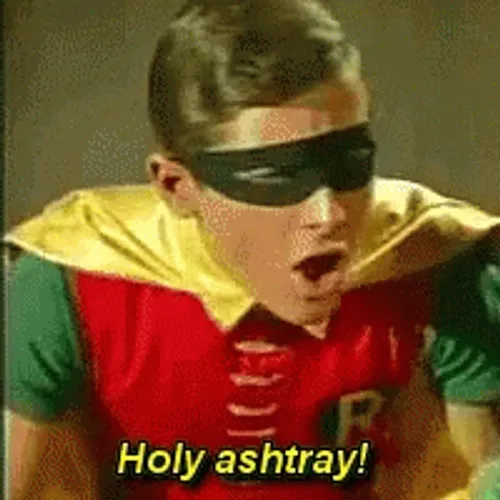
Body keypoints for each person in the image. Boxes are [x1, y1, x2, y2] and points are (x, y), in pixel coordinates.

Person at [5, 0, 500, 498]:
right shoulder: (71, 281)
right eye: (274, 177)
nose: (328, 213)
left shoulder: (434, 256)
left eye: (349, 161)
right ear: (178, 186)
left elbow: (483, 477)